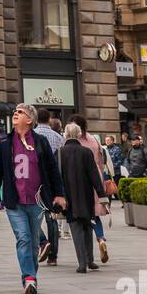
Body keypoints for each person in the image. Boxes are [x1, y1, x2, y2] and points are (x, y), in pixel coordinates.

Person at [0, 102, 66, 294]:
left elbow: (52, 170)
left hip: (37, 200)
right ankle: (29, 277)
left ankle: (30, 279)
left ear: (30, 120)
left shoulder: (40, 141)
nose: (15, 114)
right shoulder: (4, 143)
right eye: (15, 111)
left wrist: (59, 194)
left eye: (20, 112)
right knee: (23, 238)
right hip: (14, 201)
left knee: (33, 243)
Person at [58, 122, 106, 273]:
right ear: (79, 135)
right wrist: (102, 195)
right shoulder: (86, 152)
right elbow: (94, 176)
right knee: (87, 227)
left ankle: (82, 263)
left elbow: (56, 177)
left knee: (76, 228)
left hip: (69, 197)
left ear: (65, 135)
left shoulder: (60, 152)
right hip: (86, 195)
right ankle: (90, 260)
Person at [69, 114, 111, 263]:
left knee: (83, 215)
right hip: (96, 177)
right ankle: (100, 238)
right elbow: (101, 161)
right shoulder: (94, 139)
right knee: (95, 213)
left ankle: (85, 256)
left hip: (80, 179)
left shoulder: (74, 141)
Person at [34, 108, 63, 268]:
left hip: (36, 181)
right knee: (52, 218)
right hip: (53, 182)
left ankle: (42, 241)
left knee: (33, 216)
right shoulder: (59, 138)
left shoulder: (32, 135)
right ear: (49, 119)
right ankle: (53, 256)